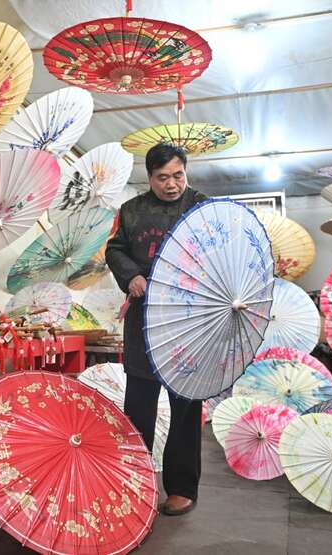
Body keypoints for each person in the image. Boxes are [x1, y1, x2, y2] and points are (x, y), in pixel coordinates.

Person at [105, 143, 207, 516]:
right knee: (139, 407)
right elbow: (114, 250)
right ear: (149, 178)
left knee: (185, 408)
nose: (171, 184)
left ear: (186, 172)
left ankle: (181, 488)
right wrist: (131, 275)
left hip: (188, 321)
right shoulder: (131, 211)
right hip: (145, 320)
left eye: (178, 175)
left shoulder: (201, 206)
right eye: (162, 177)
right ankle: (135, 481)